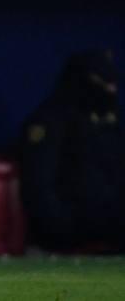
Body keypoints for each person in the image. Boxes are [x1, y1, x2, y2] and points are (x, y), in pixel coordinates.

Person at [20, 49, 125, 252]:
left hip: (113, 227)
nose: (111, 91)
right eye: (104, 83)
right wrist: (62, 230)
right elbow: (39, 187)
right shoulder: (50, 120)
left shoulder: (114, 120)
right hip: (70, 230)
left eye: (113, 85)